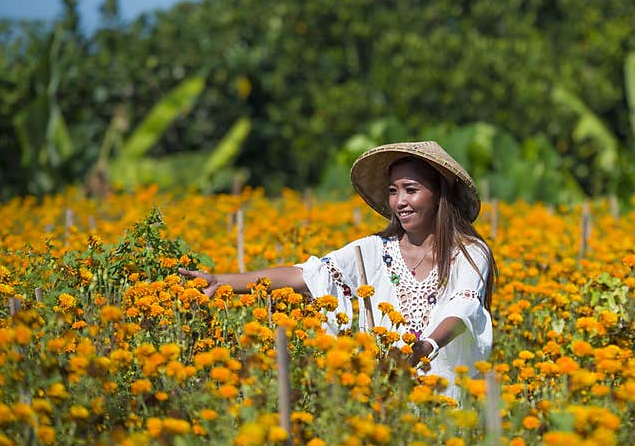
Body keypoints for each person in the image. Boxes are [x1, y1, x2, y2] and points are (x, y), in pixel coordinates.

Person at [179, 140, 497, 402]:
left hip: (444, 393)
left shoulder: (469, 253)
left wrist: (424, 348)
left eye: (410, 190)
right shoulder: (375, 249)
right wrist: (222, 282)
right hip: (382, 390)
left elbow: (463, 309)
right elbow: (307, 276)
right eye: (392, 191)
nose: (399, 201)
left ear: (440, 194)